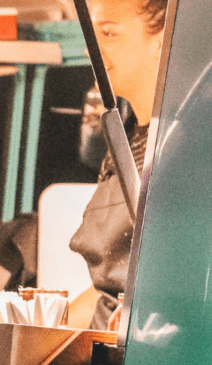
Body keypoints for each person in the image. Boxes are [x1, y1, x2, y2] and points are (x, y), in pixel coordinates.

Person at [69, 0, 167, 329]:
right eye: (92, 36)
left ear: (162, 41)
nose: (91, 51)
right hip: (103, 347)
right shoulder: (120, 141)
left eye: (109, 33)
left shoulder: (191, 142)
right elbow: (107, 293)